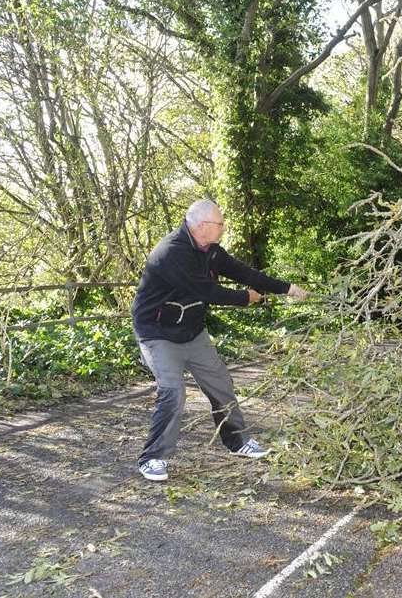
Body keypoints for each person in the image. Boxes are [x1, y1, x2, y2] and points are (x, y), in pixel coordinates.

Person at [130, 199, 307, 481]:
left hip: (192, 331)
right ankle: (152, 457)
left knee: (221, 385)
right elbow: (207, 291)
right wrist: (245, 298)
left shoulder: (209, 250)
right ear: (202, 226)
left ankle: (237, 441)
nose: (223, 228)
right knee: (173, 392)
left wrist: (286, 288)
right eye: (220, 224)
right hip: (157, 333)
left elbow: (244, 272)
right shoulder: (171, 253)